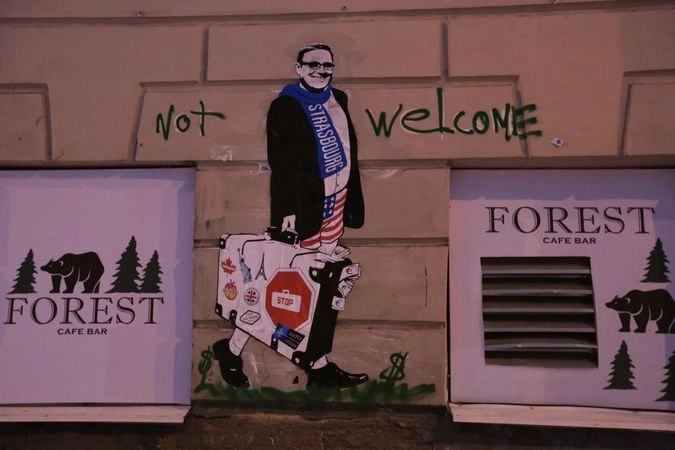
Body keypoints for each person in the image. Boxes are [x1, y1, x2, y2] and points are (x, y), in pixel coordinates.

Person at [213, 43, 368, 389]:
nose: (321, 70)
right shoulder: (286, 106)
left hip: (336, 204)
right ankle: (247, 352)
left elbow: (348, 151)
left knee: (318, 285)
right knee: (286, 286)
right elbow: (281, 163)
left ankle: (304, 362)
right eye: (312, 64)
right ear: (299, 68)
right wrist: (288, 212)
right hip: (304, 211)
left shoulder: (339, 100)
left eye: (327, 65)